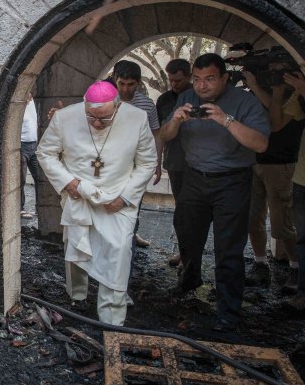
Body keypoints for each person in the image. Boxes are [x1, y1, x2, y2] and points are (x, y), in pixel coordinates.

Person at [159, 53, 270, 331]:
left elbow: (260, 144)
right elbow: (165, 136)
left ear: (224, 78)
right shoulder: (187, 98)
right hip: (195, 177)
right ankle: (190, 277)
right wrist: (176, 120)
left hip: (232, 181)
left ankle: (228, 310)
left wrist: (226, 120)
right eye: (197, 79)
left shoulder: (244, 102)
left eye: (209, 79)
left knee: (228, 247)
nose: (202, 86)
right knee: (186, 231)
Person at [37, 81, 156, 325]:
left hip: (118, 200)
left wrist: (125, 198)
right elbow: (45, 152)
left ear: (118, 106)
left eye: (105, 118)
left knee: (119, 253)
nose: (97, 123)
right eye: (90, 116)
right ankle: (77, 297)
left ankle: (111, 318)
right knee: (76, 247)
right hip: (78, 195)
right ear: (84, 105)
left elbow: (147, 162)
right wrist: (67, 181)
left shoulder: (138, 118)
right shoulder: (65, 118)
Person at [241, 64, 304, 291]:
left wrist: (275, 91)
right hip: (255, 161)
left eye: (280, 71)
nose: (275, 76)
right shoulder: (258, 94)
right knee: (252, 217)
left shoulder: (297, 95)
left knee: (282, 222)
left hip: (281, 164)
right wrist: (257, 88)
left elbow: (275, 123)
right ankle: (260, 264)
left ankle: (296, 268)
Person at [112, 60, 163, 248]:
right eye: (122, 84)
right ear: (115, 79)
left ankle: (131, 235)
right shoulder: (105, 100)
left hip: (136, 165)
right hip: (109, 164)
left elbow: (156, 133)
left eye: (131, 84)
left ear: (139, 82)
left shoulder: (147, 104)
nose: (125, 89)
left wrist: (157, 163)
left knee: (133, 202)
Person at [155, 59, 193, 267]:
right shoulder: (164, 100)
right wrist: (157, 162)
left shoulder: (199, 97)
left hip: (199, 163)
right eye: (171, 80)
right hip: (176, 162)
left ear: (188, 76)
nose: (174, 85)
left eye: (178, 80)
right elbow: (160, 133)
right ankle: (184, 251)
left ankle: (191, 253)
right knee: (182, 210)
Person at [281, 71, 305, 311]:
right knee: (303, 237)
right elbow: (277, 123)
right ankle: (302, 291)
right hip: (302, 178)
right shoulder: (299, 93)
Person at [20, 95, 40, 219]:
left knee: (39, 177)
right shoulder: (18, 104)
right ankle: (20, 208)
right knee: (20, 180)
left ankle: (40, 207)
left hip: (34, 145)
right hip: (21, 145)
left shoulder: (33, 103)